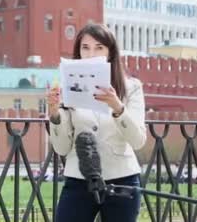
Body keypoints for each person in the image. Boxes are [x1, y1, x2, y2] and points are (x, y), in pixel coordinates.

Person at [46, 23, 146, 222]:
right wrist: (54, 114)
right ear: (78, 52)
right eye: (85, 47)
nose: (91, 54)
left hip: (121, 180)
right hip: (79, 178)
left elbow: (138, 141)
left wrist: (117, 106)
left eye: (99, 47)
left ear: (110, 53)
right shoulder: (67, 87)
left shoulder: (131, 87)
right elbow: (62, 148)